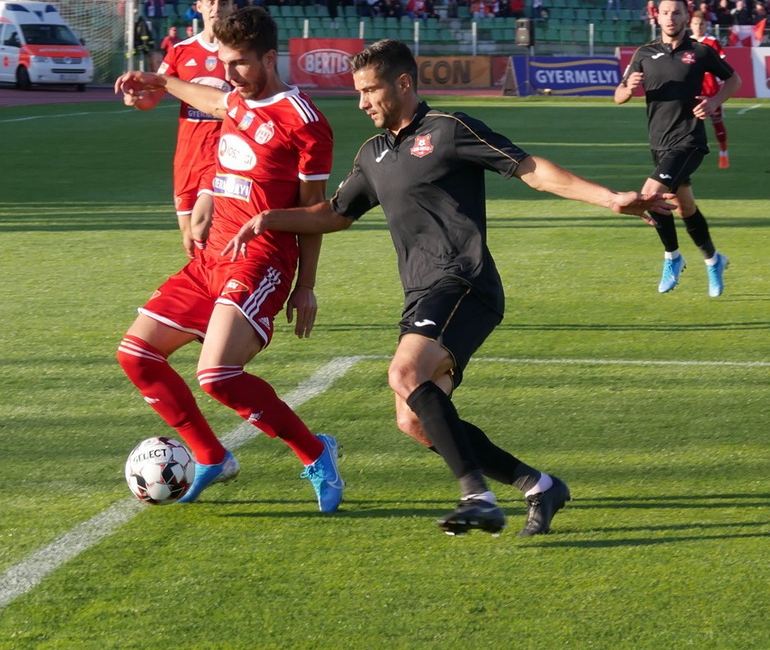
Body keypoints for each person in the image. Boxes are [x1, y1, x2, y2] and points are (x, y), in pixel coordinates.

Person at [222, 39, 675, 537]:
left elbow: (530, 169)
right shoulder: (373, 154)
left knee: (404, 371)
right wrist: (269, 218)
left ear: (403, 83)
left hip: (465, 280)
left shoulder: (448, 130)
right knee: (413, 419)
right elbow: (334, 213)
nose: (362, 102)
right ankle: (539, 486)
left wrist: (610, 199)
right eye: (358, 92)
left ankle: (476, 495)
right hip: (422, 293)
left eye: (370, 90)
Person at [113, 6, 343, 510]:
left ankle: (316, 452)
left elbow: (314, 211)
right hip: (210, 259)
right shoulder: (235, 101)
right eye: (224, 63)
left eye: (239, 63)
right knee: (136, 356)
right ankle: (210, 455)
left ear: (269, 56)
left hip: (262, 260)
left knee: (215, 375)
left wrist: (306, 284)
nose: (230, 73)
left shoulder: (304, 123)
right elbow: (212, 100)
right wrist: (159, 79)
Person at [614, 0, 741, 297]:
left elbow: (733, 79)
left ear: (687, 17)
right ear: (657, 16)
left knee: (650, 195)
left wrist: (714, 102)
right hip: (658, 143)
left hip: (689, 141)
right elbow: (618, 95)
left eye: (677, 13)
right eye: (666, 12)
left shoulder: (701, 51)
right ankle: (714, 259)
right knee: (685, 208)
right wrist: (628, 90)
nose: (671, 18)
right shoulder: (644, 53)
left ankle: (672, 257)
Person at [125, 0, 235, 258]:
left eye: (223, 2)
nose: (216, 8)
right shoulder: (180, 52)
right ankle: (209, 290)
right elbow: (150, 99)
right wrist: (135, 98)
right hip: (187, 158)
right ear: (199, 7)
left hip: (223, 156)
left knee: (201, 226)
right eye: (211, 2)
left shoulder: (239, 54)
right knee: (190, 241)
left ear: (233, 8)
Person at [689, 12, 731, 169]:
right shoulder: (688, 42)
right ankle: (691, 153)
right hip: (692, 88)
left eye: (701, 24)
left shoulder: (712, 42)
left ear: (706, 25)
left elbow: (722, 65)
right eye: (695, 24)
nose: (698, 27)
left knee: (716, 122)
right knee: (690, 123)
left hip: (711, 89)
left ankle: (723, 152)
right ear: (690, 25)